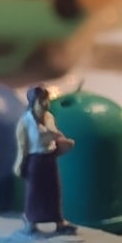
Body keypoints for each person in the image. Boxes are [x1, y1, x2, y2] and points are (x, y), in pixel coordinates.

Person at [15, 85, 76, 234]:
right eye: (40, 101)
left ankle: (59, 221)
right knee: (34, 193)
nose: (44, 104)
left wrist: (64, 141)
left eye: (46, 100)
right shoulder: (25, 122)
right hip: (35, 161)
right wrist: (20, 164)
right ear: (33, 102)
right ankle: (31, 221)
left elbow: (55, 134)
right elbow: (22, 145)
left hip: (50, 158)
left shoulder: (49, 117)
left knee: (53, 191)